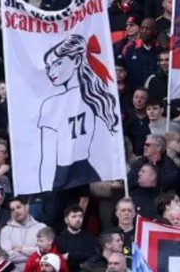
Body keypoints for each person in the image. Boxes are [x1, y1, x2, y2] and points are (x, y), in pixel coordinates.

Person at [37, 33, 123, 191]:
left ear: (76, 60)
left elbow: (48, 157)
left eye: (58, 63)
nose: (51, 72)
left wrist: (43, 191)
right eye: (49, 67)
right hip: (86, 173)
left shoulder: (54, 103)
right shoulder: (98, 95)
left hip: (70, 173)